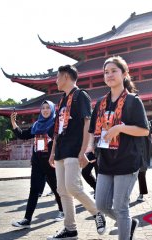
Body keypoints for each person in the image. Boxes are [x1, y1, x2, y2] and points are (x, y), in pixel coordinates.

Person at [89, 56, 149, 240]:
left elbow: (144, 131)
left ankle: (125, 229)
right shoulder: (100, 103)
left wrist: (120, 128)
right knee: (101, 204)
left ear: (124, 74)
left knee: (120, 207)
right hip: (105, 160)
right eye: (106, 72)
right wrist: (90, 147)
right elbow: (92, 130)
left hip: (127, 159)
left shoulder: (132, 101)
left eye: (114, 70)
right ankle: (129, 223)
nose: (109, 75)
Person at [48, 65, 106, 240]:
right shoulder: (61, 100)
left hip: (74, 150)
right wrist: (52, 152)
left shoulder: (81, 95)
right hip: (60, 150)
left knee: (73, 186)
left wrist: (83, 151)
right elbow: (57, 129)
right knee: (62, 190)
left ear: (66, 77)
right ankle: (70, 229)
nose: (56, 80)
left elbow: (87, 123)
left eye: (58, 77)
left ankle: (98, 212)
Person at [10, 101, 64, 229]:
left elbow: (62, 140)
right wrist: (13, 123)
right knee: (33, 190)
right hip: (37, 162)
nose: (45, 110)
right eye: (43, 108)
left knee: (57, 189)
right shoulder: (36, 125)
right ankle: (27, 219)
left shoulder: (56, 124)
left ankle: (63, 211)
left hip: (51, 162)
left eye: (48, 108)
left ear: (52, 109)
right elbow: (23, 135)